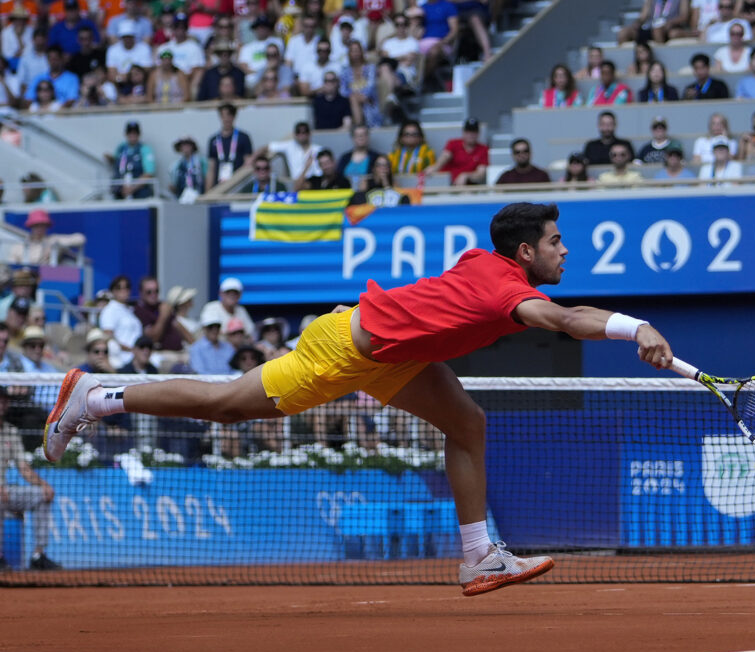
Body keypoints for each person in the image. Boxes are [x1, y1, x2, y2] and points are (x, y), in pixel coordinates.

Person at [43, 202, 674, 596]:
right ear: (527, 251)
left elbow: (553, 307)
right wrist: (635, 328)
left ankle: (479, 556)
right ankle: (100, 397)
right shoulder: (503, 290)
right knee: (226, 403)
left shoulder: (494, 266)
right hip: (344, 351)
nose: (567, 250)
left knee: (467, 423)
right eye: (557, 241)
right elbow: (567, 321)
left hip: (393, 356)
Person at [0, 386, 61, 571]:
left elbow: (23, 468)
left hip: (6, 492)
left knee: (42, 495)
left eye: (4, 400)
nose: (1, 404)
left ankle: (38, 555)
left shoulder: (11, 432)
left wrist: (44, 485)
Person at [8, 209, 85, 266]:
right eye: (36, 225)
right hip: (25, 281)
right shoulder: (19, 246)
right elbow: (11, 265)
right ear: (31, 226)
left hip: (47, 279)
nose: (40, 228)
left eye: (43, 225)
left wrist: (56, 244)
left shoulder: (53, 239)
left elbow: (80, 239)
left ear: (47, 226)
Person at [425, 117, 488, 186]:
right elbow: (445, 157)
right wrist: (435, 167)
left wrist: (466, 175)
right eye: (468, 131)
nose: (471, 134)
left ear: (478, 133)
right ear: (463, 132)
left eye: (474, 132)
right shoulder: (453, 143)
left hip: (467, 186)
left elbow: (481, 173)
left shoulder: (483, 149)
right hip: (447, 184)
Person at [206, 103, 254, 190]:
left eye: (229, 115)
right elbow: (211, 169)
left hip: (238, 185)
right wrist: (208, 191)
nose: (226, 119)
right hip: (218, 186)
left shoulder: (243, 137)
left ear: (234, 117)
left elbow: (248, 162)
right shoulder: (213, 139)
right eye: (223, 115)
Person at [100, 274, 144, 370]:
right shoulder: (110, 310)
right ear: (113, 291)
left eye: (127, 287)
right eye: (119, 287)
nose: (124, 290)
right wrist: (132, 350)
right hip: (124, 359)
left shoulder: (129, 310)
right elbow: (109, 338)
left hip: (137, 357)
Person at [108, 121, 156, 200]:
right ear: (126, 134)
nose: (132, 135)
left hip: (140, 194)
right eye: (130, 133)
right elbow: (117, 164)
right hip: (120, 193)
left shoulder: (145, 149)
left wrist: (132, 188)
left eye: (135, 133)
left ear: (139, 134)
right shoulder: (121, 148)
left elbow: (149, 173)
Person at [169, 135, 207, 201]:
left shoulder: (201, 162)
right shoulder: (175, 166)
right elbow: (173, 184)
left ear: (192, 147)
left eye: (188, 145)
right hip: (181, 198)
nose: (186, 148)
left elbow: (207, 178)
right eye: (183, 145)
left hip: (199, 197)